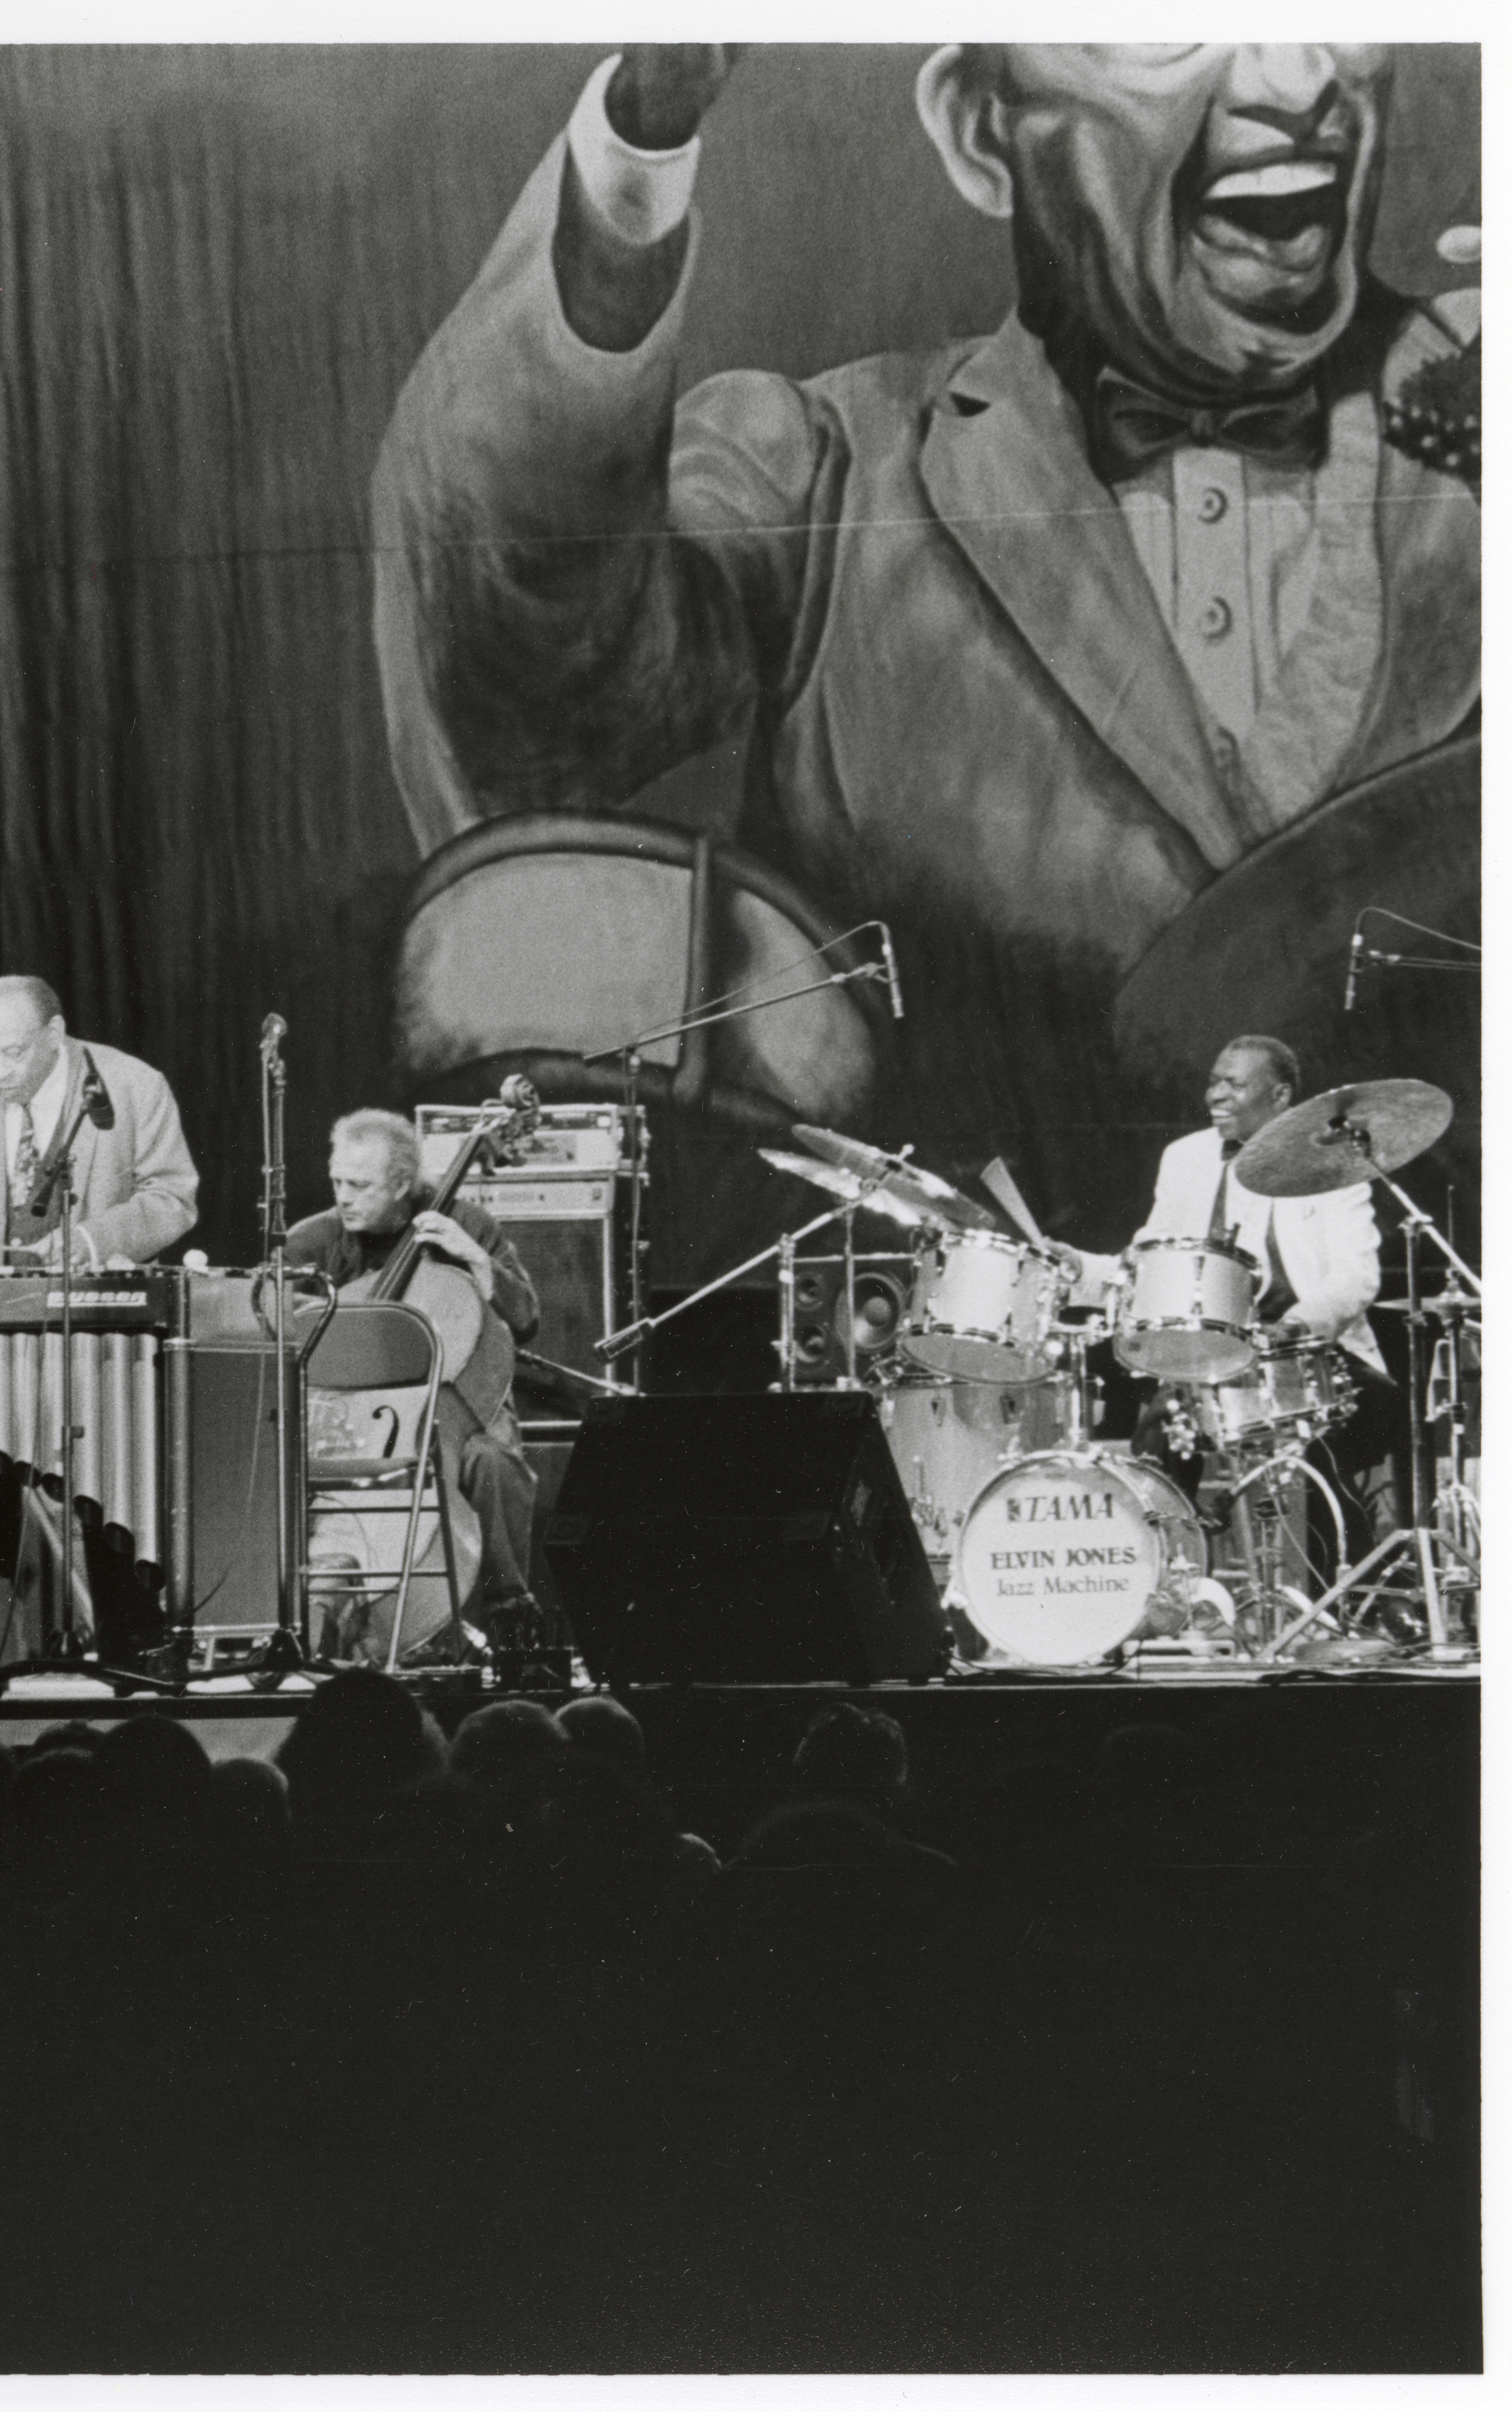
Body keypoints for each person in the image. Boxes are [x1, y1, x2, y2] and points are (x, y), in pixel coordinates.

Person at [376, 46, 1477, 1228]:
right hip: (970, 1300)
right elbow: (526, 690)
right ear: (977, 128)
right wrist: (630, 166)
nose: (1295, 78)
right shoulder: (817, 469)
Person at [1060, 1035, 1400, 1562]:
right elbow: (1146, 1261)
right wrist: (1081, 1269)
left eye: (1233, 1084)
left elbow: (1356, 1274)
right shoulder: (1184, 1158)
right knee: (1159, 1430)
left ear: (1280, 1095)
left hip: (1307, 1354)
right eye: (1213, 1081)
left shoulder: (1330, 1162)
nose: (1214, 1095)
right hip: (1206, 1360)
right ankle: (1175, 1577)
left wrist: (1296, 1327)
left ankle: (1345, 1579)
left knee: (1327, 1443)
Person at [284, 1108, 544, 1654]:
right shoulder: (313, 1241)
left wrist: (475, 1259)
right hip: (344, 1417)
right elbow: (280, 1332)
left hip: (456, 1405)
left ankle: (511, 1615)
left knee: (495, 1464)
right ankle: (309, 1610)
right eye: (337, 1182)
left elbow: (524, 1321)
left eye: (359, 1186)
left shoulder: (469, 1225)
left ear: (403, 1184)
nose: (343, 1198)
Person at [0, 974, 198, 1270]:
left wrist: (90, 1242)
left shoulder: (135, 1085)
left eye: (14, 1053)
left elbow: (171, 1198)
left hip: (97, 1301)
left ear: (54, 1033)